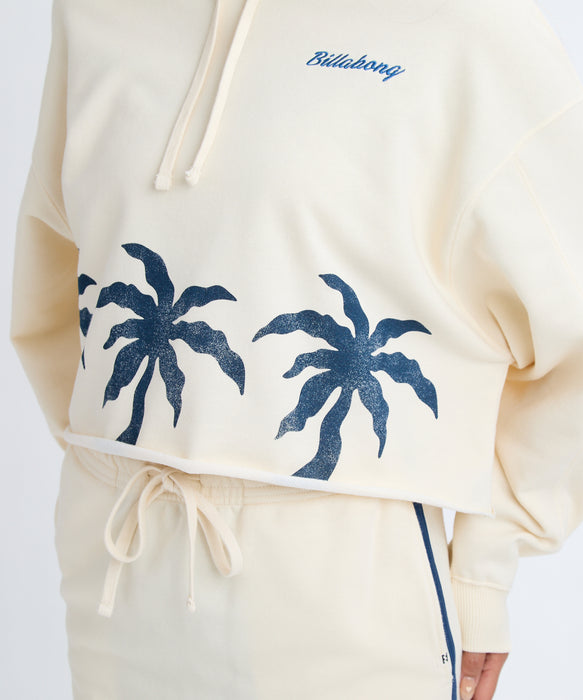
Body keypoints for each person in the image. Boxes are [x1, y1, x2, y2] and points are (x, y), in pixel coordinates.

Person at [9, 0, 583, 698]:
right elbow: (55, 273)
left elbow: (571, 328)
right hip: (117, 569)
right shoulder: (97, 13)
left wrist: (482, 570)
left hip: (348, 599)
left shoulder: (471, 30)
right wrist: (115, 460)